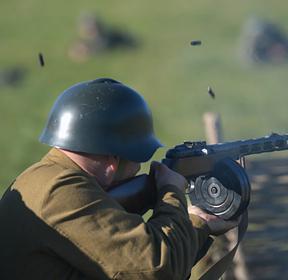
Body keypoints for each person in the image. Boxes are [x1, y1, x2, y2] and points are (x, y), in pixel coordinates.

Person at [0, 78, 238, 279]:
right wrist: (170, 192)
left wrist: (198, 224)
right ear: (114, 160)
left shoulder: (43, 178)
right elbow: (158, 267)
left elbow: (127, 263)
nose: (138, 170)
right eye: (138, 161)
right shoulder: (62, 192)